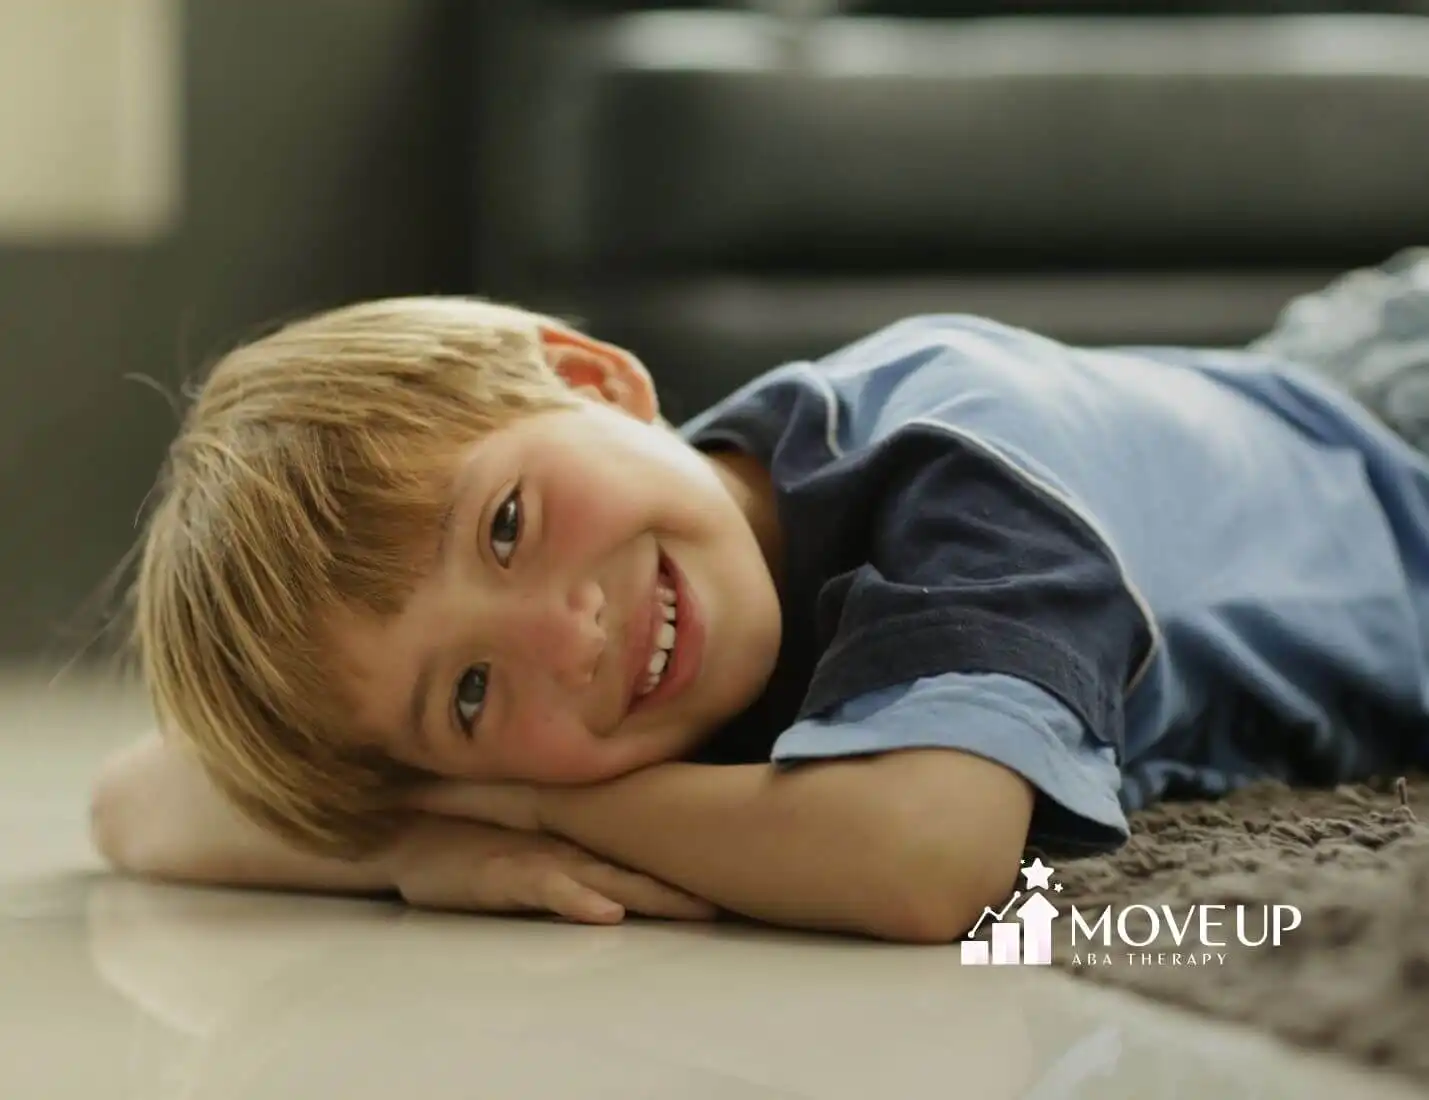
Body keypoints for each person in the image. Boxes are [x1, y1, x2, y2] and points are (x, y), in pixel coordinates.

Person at [91, 251, 1429, 944]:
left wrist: (521, 793)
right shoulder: (669, 638)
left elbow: (926, 863)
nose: (565, 636)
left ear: (596, 381)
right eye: (471, 692)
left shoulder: (959, 458)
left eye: (507, 524)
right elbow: (139, 797)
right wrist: (406, 848)